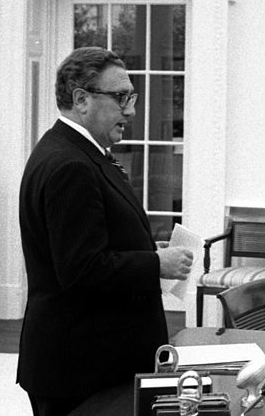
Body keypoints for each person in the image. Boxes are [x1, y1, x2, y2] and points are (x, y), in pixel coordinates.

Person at [17, 47, 194, 416]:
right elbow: (81, 270)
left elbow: (90, 241)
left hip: (91, 364)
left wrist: (145, 247)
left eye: (131, 97)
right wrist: (155, 263)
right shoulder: (70, 165)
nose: (130, 109)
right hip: (82, 371)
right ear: (81, 99)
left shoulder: (78, 152)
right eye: (120, 97)